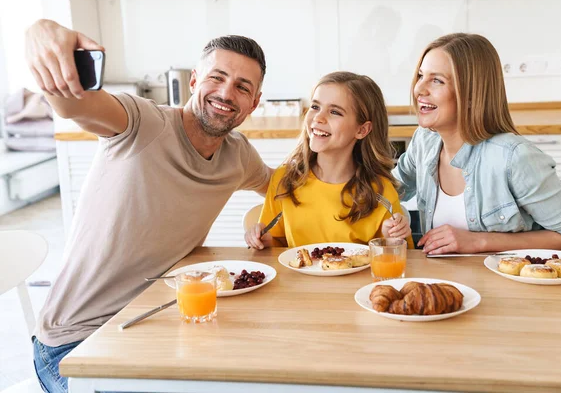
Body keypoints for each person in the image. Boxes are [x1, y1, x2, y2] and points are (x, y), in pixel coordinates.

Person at [25, 19, 273, 393]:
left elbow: (281, 189)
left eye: (242, 87)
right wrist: (41, 33)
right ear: (193, 81)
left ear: (254, 102)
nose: (226, 93)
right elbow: (74, 105)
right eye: (216, 77)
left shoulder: (237, 156)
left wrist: (255, 222)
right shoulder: (141, 123)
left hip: (156, 322)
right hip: (76, 341)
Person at [393, 33, 561, 255]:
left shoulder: (513, 158)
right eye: (421, 76)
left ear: (471, 94)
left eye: (437, 80)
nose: (419, 89)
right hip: (453, 283)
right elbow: (388, 190)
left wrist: (479, 242)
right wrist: (395, 217)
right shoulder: (424, 141)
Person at [245, 71, 414, 250]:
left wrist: (392, 241)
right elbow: (278, 245)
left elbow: (404, 260)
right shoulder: (284, 180)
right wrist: (264, 241)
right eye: (315, 107)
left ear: (362, 130)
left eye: (334, 112)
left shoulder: (381, 192)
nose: (318, 117)